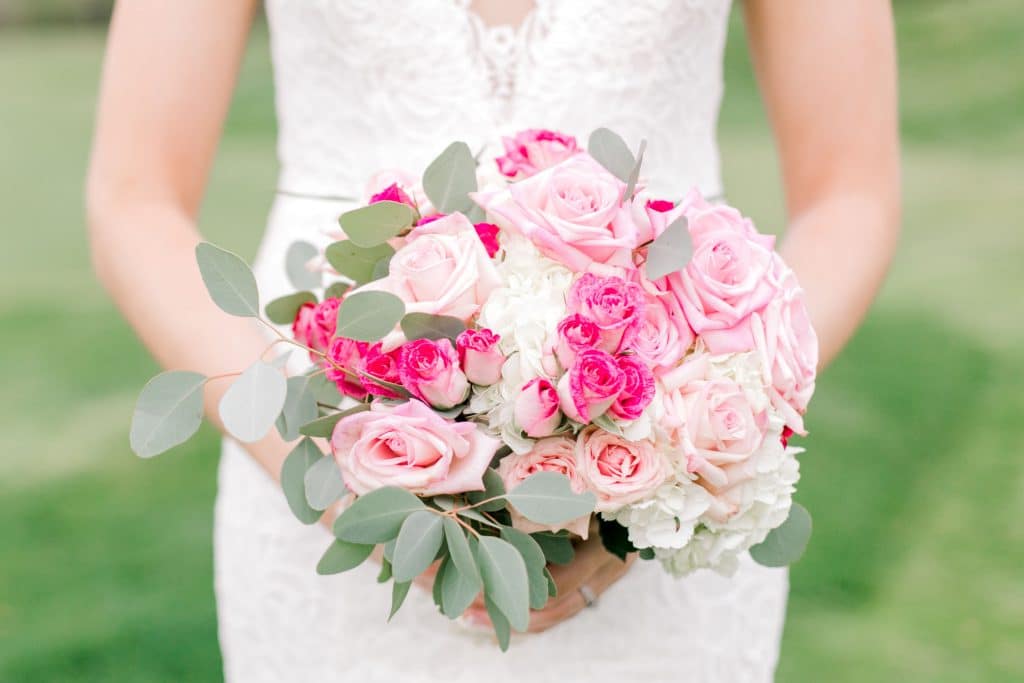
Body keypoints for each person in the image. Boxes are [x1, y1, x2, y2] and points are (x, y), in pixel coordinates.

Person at [86, 1, 899, 680]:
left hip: (661, 529)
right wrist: (342, 478)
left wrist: (679, 454)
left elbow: (850, 190)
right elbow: (134, 197)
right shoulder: (322, 469)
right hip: (315, 455)